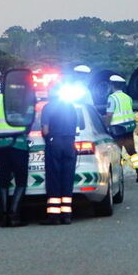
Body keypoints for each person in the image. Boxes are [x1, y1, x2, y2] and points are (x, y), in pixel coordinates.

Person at [0, 72, 29, 227]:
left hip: (1, 145)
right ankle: (14, 216)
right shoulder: (22, 100)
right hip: (18, 144)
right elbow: (29, 122)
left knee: (3, 181)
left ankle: (3, 218)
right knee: (21, 181)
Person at [40, 83, 83, 225]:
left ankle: (54, 216)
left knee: (54, 179)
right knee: (67, 179)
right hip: (69, 144)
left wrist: (48, 138)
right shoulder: (71, 107)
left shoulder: (48, 107)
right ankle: (67, 215)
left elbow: (45, 130)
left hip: (55, 144)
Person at [104, 75, 138, 182]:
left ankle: (118, 177)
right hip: (128, 128)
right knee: (132, 151)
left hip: (117, 129)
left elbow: (109, 115)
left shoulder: (112, 98)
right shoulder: (128, 98)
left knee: (117, 154)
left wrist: (105, 127)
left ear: (112, 85)